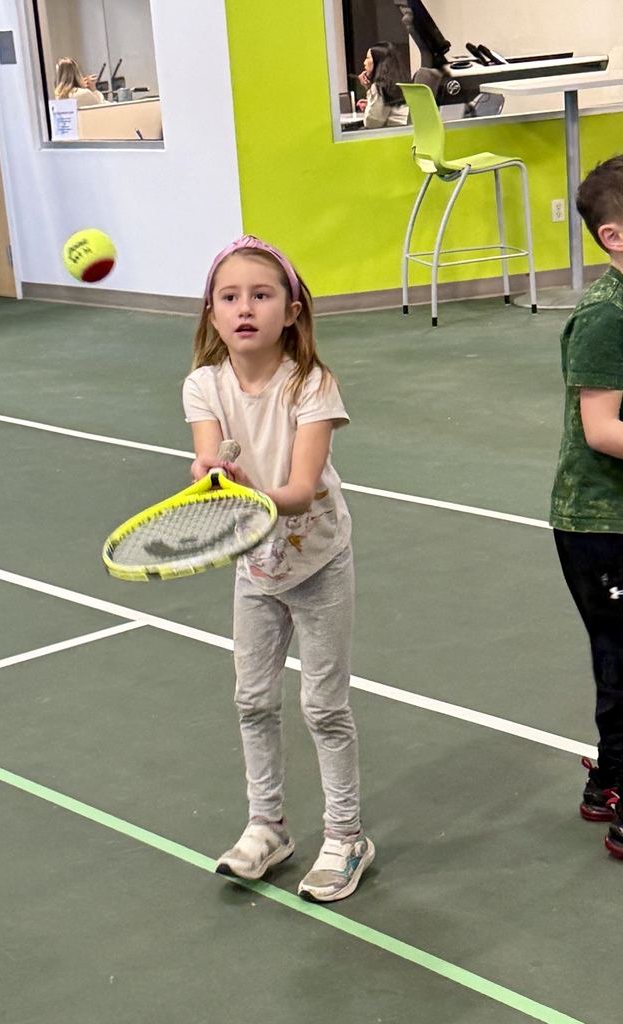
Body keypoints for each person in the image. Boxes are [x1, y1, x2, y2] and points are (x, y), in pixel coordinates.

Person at [182, 235, 374, 902]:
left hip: (318, 561)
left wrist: (246, 493)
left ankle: (347, 837)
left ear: (290, 312)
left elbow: (298, 486)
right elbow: (208, 459)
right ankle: (268, 826)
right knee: (252, 700)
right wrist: (212, 475)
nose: (245, 308)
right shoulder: (202, 385)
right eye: (230, 297)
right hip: (255, 570)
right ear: (212, 315)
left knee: (324, 705)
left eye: (261, 296)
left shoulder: (311, 385)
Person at [549, 154, 623, 860]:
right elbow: (602, 430)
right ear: (615, 239)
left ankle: (608, 779)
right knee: (622, 657)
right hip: (599, 524)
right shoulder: (606, 317)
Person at [356, 41, 409, 129]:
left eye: (367, 58)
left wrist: (369, 91)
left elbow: (372, 123)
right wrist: (370, 103)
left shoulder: (379, 87)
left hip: (389, 135)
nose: (364, 63)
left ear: (377, 63)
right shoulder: (397, 83)